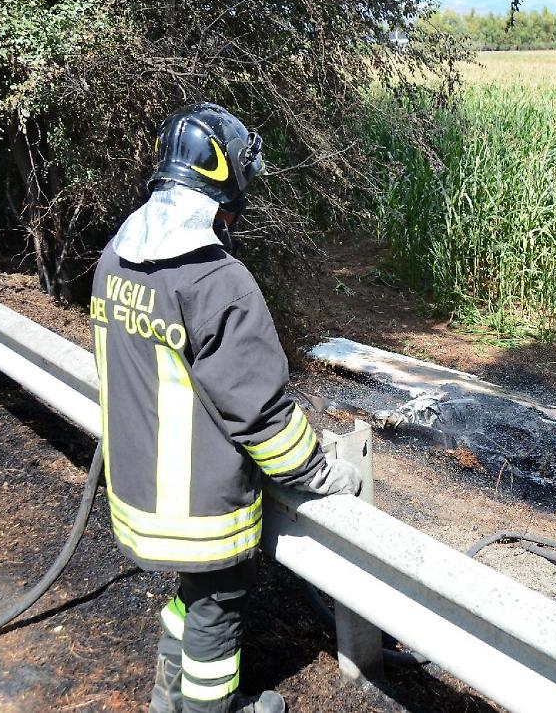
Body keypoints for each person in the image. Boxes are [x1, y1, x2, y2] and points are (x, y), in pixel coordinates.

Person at [90, 103, 362, 713]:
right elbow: (261, 414)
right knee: (219, 608)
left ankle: (170, 692)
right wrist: (322, 474)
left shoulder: (116, 259)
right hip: (198, 508)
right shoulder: (216, 282)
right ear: (226, 185)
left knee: (193, 595)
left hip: (136, 492)